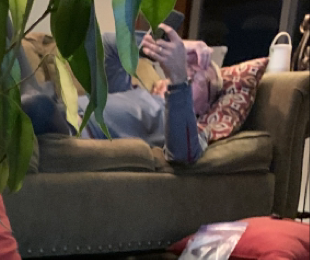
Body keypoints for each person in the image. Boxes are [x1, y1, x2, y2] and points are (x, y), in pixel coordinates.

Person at [19, 24, 224, 165]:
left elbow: (183, 156)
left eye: (202, 76)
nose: (191, 70)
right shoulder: (128, 91)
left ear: (206, 106)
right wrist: (158, 47)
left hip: (67, 130)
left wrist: (180, 80)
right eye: (190, 63)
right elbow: (108, 43)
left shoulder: (189, 128)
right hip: (57, 106)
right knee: (6, 30)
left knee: (35, 106)